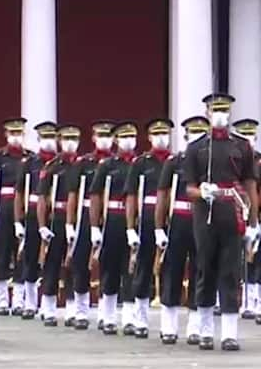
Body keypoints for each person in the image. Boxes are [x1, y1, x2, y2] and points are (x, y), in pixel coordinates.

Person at [184, 93, 259, 351]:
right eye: (215, 109)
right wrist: (202, 192)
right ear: (206, 112)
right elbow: (188, 188)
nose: (220, 114)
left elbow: (250, 182)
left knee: (231, 271)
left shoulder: (241, 146)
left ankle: (229, 333)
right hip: (206, 212)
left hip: (233, 211)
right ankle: (205, 329)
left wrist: (254, 221)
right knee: (205, 267)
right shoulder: (196, 148)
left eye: (224, 110)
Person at [155, 117, 206, 345]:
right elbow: (163, 196)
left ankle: (195, 326)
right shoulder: (174, 162)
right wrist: (159, 227)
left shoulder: (210, 163)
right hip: (178, 220)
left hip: (202, 221)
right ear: (185, 137)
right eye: (193, 133)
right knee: (172, 271)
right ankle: (169, 326)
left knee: (200, 271)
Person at [124, 119, 171, 338]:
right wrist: (130, 226)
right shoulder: (141, 163)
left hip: (171, 218)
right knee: (143, 267)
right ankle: (140, 318)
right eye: (157, 133)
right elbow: (132, 196)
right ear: (150, 137)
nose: (162, 137)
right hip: (147, 217)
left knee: (170, 268)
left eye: (165, 133)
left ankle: (167, 323)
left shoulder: (176, 161)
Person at [88, 121, 135, 335]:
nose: (128, 141)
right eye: (124, 137)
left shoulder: (139, 163)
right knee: (110, 269)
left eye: (132, 136)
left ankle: (129, 317)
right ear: (116, 140)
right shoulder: (107, 165)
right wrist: (95, 225)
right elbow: (96, 195)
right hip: (113, 219)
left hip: (134, 220)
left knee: (132, 269)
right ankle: (108, 316)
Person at [0, 118, 31, 315]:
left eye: (19, 133)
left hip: (24, 211)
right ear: (6, 134)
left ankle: (19, 300)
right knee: (2, 254)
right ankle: (2, 301)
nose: (16, 137)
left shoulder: (30, 158)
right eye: (12, 133)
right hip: (3, 209)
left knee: (22, 255)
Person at [13, 123, 57, 319]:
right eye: (44, 137)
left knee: (51, 260)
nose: (49, 141)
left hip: (54, 215)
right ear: (39, 140)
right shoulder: (29, 163)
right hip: (32, 214)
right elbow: (19, 192)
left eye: (52, 137)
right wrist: (18, 219)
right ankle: (30, 302)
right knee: (30, 258)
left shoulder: (60, 164)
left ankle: (48, 305)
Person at [36, 123, 76, 327]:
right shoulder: (52, 167)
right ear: (60, 141)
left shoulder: (81, 165)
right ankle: (49, 308)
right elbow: (42, 198)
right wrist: (42, 225)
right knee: (51, 265)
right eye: (67, 139)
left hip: (76, 220)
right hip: (56, 219)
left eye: (74, 139)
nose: (71, 143)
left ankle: (71, 309)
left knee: (73, 266)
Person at [63, 124, 96, 329]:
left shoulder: (113, 163)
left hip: (111, 216)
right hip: (85, 215)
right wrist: (69, 223)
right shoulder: (84, 163)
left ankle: (107, 314)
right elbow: (73, 196)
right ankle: (80, 310)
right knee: (80, 264)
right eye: (100, 135)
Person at [232, 118, 261, 322]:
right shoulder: (232, 159)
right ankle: (230, 300)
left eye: (252, 135)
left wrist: (255, 220)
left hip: (255, 216)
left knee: (256, 261)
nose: (249, 139)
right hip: (232, 214)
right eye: (245, 135)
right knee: (232, 259)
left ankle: (254, 301)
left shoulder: (259, 161)